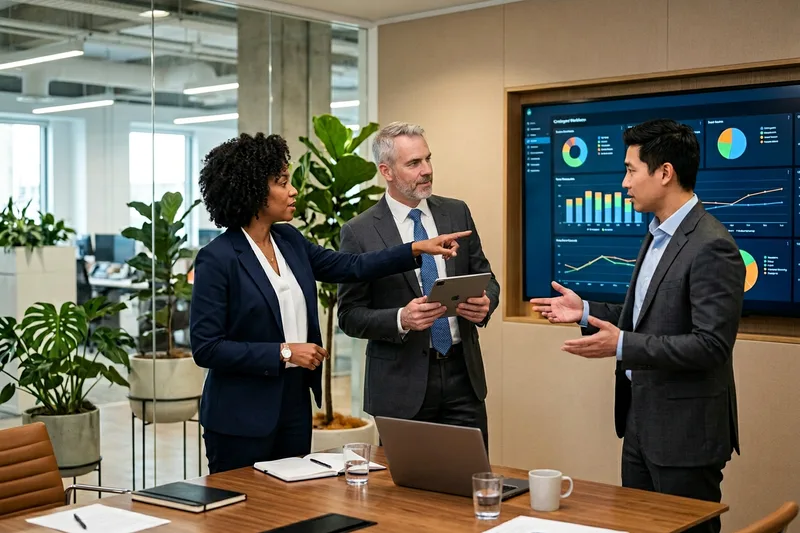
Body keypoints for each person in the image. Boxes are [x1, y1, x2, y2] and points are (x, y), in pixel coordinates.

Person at [190, 132, 472, 474]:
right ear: (253, 192)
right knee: (241, 519)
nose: (293, 191)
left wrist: (415, 249)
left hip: (293, 404)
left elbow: (350, 266)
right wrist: (284, 352)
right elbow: (207, 347)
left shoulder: (289, 240)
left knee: (293, 509)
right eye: (282, 183)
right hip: (239, 415)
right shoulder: (216, 258)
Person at [530, 119, 744, 533]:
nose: (624, 182)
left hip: (684, 436)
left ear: (665, 173)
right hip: (640, 426)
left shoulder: (711, 245)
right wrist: (587, 311)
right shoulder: (656, 234)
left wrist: (624, 344)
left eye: (631, 170)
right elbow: (646, 315)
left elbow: (711, 346)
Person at [337, 122, 499, 450]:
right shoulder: (360, 232)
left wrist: (486, 303)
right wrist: (401, 319)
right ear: (386, 171)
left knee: (468, 483)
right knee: (405, 496)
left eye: (427, 159)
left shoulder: (456, 213)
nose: (426, 170)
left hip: (462, 377)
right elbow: (350, 316)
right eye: (413, 164)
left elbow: (488, 278)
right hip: (400, 385)